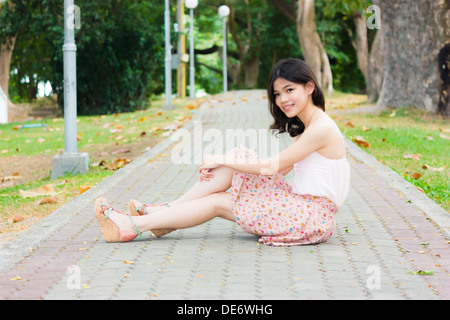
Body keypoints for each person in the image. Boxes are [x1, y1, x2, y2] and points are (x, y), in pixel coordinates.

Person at [95, 58, 350, 246]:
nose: (282, 100)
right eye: (277, 94)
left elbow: (271, 168)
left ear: (309, 87)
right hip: (301, 208)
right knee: (238, 161)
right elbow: (280, 170)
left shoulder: (321, 129)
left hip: (312, 216)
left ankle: (136, 225)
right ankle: (164, 214)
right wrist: (235, 162)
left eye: (289, 90)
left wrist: (223, 158)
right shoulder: (312, 127)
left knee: (220, 195)